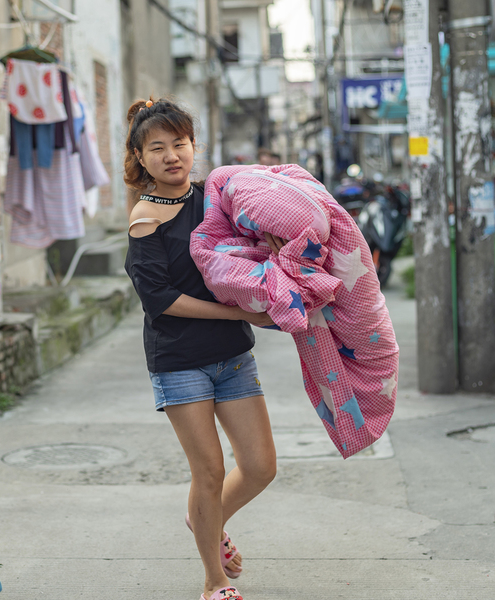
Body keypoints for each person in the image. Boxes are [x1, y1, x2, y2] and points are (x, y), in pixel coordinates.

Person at [123, 97, 283, 600]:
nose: (172, 155)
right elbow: (161, 300)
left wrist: (274, 252)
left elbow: (248, 247)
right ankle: (214, 582)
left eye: (180, 144)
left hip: (232, 355)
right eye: (158, 148)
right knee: (209, 470)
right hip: (179, 361)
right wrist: (240, 312)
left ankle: (205, 522)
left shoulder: (219, 197)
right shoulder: (145, 219)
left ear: (193, 146)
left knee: (260, 467)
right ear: (140, 157)